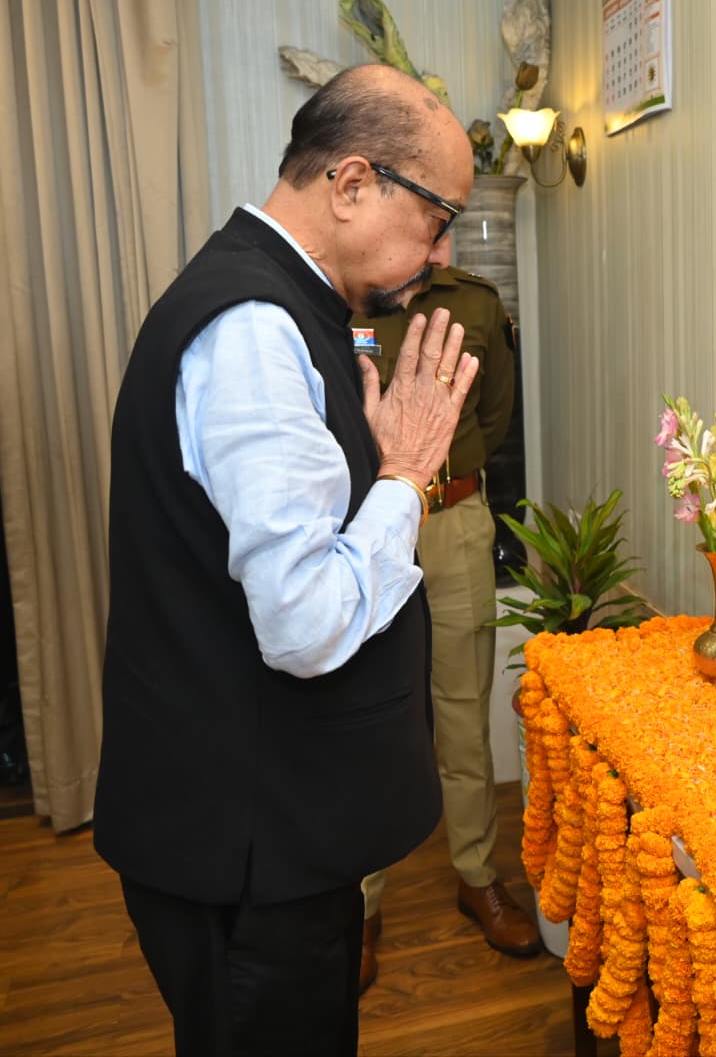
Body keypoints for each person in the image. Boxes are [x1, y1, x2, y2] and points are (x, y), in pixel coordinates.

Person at [93, 63, 476, 1057]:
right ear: (351, 183)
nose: (442, 251)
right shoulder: (255, 330)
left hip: (262, 830)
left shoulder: (280, 303)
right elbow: (303, 623)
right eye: (437, 217)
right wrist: (406, 475)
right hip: (246, 846)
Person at [351, 258, 540, 993]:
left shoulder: (477, 303)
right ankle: (360, 906)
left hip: (455, 517)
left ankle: (477, 877)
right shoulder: (343, 290)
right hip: (364, 523)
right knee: (369, 720)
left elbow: (493, 419)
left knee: (463, 713)